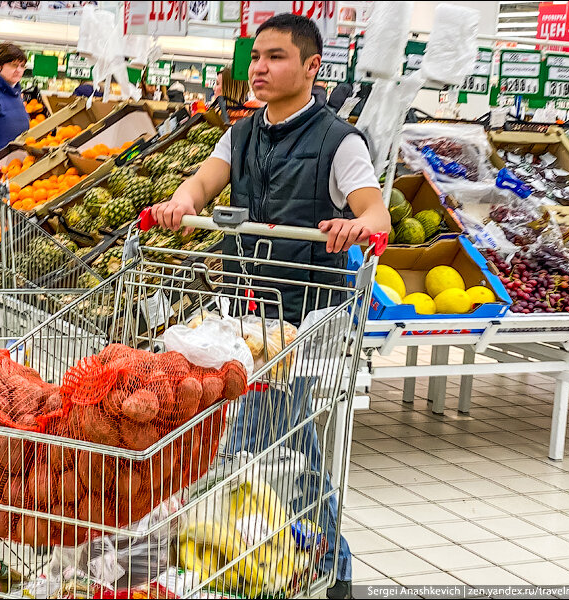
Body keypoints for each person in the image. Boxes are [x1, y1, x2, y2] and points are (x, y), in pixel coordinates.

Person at [150, 14, 390, 599]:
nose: (259, 69)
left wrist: (354, 226)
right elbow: (203, 182)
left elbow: (378, 217)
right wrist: (179, 204)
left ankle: (330, 566)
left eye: (276, 57)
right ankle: (257, 560)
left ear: (311, 67)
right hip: (245, 317)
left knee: (287, 445)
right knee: (253, 444)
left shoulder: (341, 143)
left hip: (307, 320)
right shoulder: (241, 132)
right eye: (256, 57)